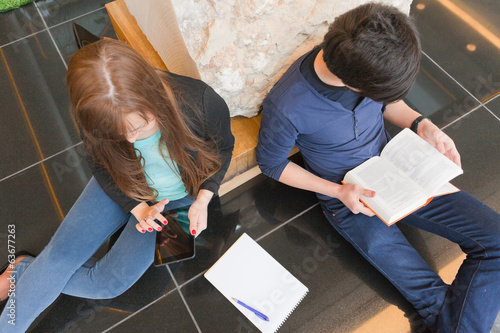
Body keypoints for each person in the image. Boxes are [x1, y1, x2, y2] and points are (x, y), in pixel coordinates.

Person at [256, 3, 500, 332]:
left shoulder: (363, 54)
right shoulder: (287, 105)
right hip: (350, 197)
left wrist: (422, 124)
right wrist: (338, 191)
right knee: (433, 301)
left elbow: (386, 99)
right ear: (354, 83)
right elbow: (271, 163)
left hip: (397, 166)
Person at [0, 38, 234, 331]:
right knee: (58, 258)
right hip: (121, 183)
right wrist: (136, 208)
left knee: (109, 286)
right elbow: (101, 163)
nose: (131, 139)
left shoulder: (201, 101)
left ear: (151, 95)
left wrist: (203, 198)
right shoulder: (100, 114)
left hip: (177, 202)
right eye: (118, 133)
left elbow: (223, 150)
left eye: (139, 127)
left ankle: (24, 270)